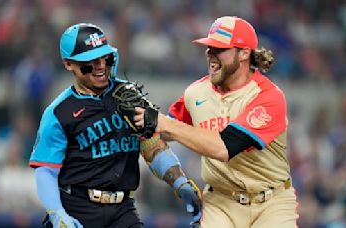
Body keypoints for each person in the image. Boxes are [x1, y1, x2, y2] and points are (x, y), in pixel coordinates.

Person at [29, 23, 201, 228]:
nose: (101, 66)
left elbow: (151, 143)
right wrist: (57, 213)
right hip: (77, 206)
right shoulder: (59, 112)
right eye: (90, 62)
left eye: (105, 58)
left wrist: (179, 181)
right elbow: (46, 170)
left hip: (122, 208)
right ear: (68, 64)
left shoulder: (129, 96)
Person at [134, 16, 299, 227]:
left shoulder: (267, 96)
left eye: (219, 49)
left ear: (244, 53)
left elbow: (224, 148)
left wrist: (163, 122)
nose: (211, 55)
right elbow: (161, 130)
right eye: (209, 48)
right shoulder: (195, 92)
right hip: (220, 201)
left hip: (271, 203)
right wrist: (135, 118)